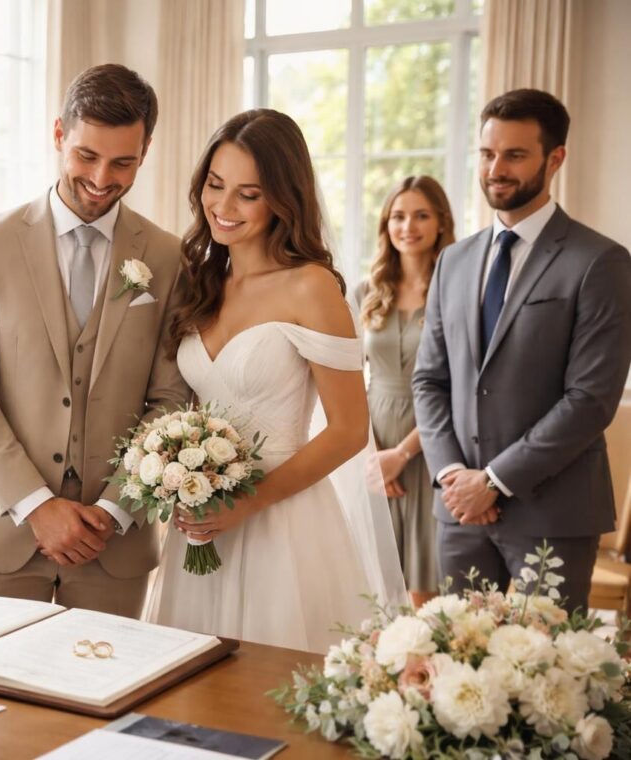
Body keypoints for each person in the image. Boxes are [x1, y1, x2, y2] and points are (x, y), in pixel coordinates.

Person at [148, 109, 407, 652]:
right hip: (201, 521)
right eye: (215, 186)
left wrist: (247, 502)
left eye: (249, 193)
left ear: (282, 199)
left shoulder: (310, 287)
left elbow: (348, 430)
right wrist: (174, 476)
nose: (223, 206)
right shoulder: (201, 282)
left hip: (282, 522)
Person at [0, 64, 190, 617]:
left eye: (123, 162)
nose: (102, 178)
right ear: (59, 136)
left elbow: (171, 400)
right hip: (1, 532)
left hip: (114, 543)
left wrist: (116, 508)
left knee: (108, 698)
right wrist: (36, 506)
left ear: (144, 152)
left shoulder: (168, 258)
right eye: (86, 156)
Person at [413, 89, 631, 612]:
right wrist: (452, 477)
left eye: (515, 155)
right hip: (460, 513)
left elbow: (590, 399)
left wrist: (494, 481)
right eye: (487, 154)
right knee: (455, 667)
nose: (496, 169)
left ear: (555, 158)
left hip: (553, 515)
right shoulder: (454, 261)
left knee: (550, 678)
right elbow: (429, 380)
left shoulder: (600, 262)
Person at [354, 176, 455, 607]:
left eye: (420, 215)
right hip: (374, 439)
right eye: (398, 216)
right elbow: (348, 379)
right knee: (375, 580)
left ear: (440, 223)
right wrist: (375, 454)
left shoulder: (455, 289)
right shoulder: (366, 291)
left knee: (425, 585)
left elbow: (457, 385)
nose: (407, 226)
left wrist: (402, 454)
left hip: (433, 441)